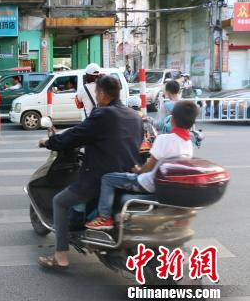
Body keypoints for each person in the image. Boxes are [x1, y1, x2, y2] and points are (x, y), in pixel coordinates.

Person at [37, 75, 142, 270]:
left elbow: (77, 134)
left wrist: (50, 142)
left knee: (59, 202)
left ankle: (60, 257)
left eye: (96, 92)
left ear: (101, 94)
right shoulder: (134, 116)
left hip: (99, 179)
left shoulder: (102, 114)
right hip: (127, 178)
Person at [85, 101, 199, 230]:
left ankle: (104, 218)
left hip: (147, 183)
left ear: (172, 119)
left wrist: (138, 170)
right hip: (166, 187)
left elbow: (148, 167)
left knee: (107, 178)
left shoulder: (164, 139)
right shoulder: (188, 144)